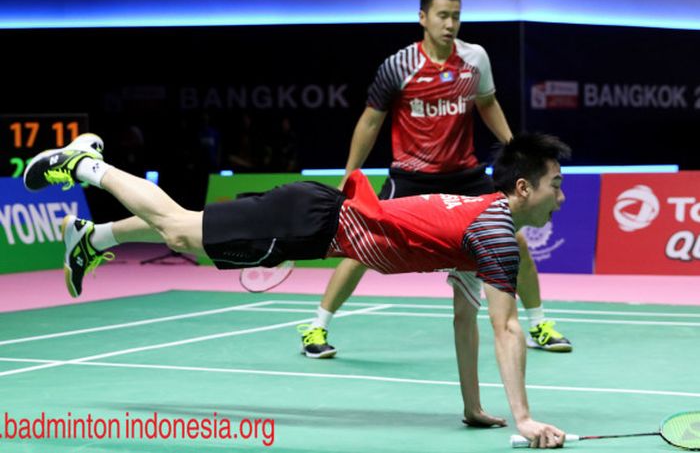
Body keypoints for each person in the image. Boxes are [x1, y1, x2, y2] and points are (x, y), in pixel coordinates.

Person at [24, 131, 568, 447]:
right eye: (556, 186)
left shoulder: (488, 218)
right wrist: (523, 419)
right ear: (524, 188)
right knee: (181, 231)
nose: (562, 198)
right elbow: (507, 326)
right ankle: (88, 164)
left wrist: (474, 408)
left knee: (192, 228)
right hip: (313, 223)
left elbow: (465, 320)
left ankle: (91, 237)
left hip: (316, 220)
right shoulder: (495, 233)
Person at [299, 0, 571, 362]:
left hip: (464, 174)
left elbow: (487, 103)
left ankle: (539, 323)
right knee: (363, 246)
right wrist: (350, 174)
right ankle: (317, 326)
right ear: (423, 17)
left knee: (515, 242)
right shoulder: (399, 65)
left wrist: (516, 150)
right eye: (442, 15)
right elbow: (371, 120)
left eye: (456, 16)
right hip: (411, 175)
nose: (450, 23)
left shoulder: (474, 59)